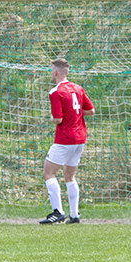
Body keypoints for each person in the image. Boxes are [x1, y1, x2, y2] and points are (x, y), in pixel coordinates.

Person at [39, 58, 95, 224]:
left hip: (65, 139)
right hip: (80, 138)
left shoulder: (55, 91)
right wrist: (74, 114)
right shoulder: (78, 88)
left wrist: (52, 118)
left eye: (51, 71)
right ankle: (75, 215)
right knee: (69, 177)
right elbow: (90, 110)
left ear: (56, 72)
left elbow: (57, 118)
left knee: (48, 173)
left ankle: (58, 212)